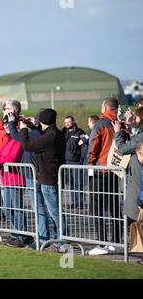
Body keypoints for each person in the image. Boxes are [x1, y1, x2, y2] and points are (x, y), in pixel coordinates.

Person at [16, 108, 67, 251]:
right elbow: (43, 131)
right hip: (45, 177)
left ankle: (63, 242)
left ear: (43, 121)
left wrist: (24, 129)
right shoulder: (55, 132)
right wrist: (32, 124)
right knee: (50, 211)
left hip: (48, 178)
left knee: (55, 212)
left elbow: (27, 146)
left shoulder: (49, 136)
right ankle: (47, 240)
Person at [86, 98, 123, 255]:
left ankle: (101, 243)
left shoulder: (100, 124)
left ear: (106, 107)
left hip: (100, 170)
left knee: (97, 208)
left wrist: (89, 164)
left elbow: (94, 146)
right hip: (117, 170)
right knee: (114, 208)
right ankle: (116, 242)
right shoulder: (122, 123)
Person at [113, 107, 143, 226]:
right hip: (137, 184)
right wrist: (131, 130)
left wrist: (117, 133)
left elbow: (123, 149)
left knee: (133, 221)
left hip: (138, 186)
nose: (135, 119)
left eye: (137, 117)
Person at [61, 116, 86, 208]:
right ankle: (74, 202)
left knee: (78, 183)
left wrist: (81, 160)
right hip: (66, 162)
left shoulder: (80, 132)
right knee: (70, 183)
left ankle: (80, 202)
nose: (67, 124)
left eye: (69, 122)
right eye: (65, 122)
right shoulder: (63, 132)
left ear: (73, 122)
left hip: (76, 161)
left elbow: (84, 147)